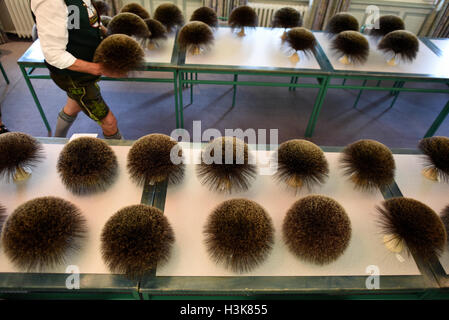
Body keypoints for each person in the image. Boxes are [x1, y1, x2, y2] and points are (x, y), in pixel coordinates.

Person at [31, 0, 124, 139]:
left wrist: (108, 33)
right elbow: (54, 55)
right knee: (109, 122)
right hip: (74, 77)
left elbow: (87, 19)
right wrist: (99, 69)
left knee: (73, 106)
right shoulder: (49, 3)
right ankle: (120, 159)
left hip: (82, 70)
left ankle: (57, 141)